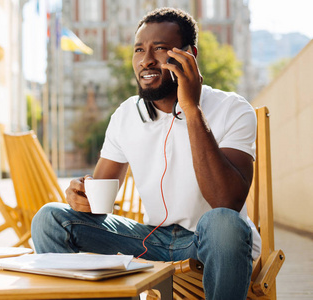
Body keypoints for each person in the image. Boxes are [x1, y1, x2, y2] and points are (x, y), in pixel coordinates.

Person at [31, 7, 260, 300]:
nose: (146, 60)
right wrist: (80, 195)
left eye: (160, 49)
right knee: (50, 218)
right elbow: (98, 203)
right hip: (151, 240)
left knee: (225, 223)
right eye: (139, 50)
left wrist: (191, 109)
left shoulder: (233, 108)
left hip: (211, 241)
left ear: (189, 55)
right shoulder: (125, 114)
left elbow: (226, 201)